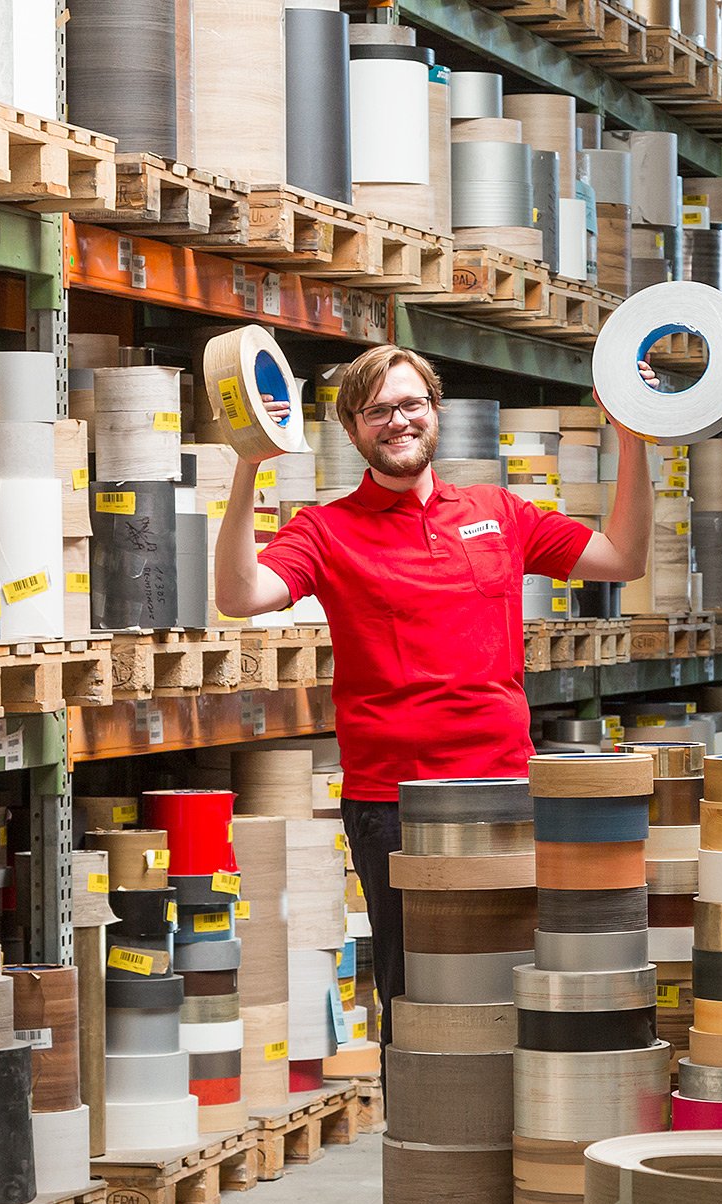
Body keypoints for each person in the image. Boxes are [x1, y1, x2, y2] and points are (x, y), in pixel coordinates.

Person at [214, 344, 653, 1045]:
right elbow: (238, 596)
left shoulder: (499, 511)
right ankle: (426, 1146)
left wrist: (632, 435)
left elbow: (622, 557)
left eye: (411, 403)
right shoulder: (324, 531)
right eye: (377, 410)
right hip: (395, 803)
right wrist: (247, 462)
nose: (398, 421)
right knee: (417, 1001)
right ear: (352, 430)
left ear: (434, 411)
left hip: (508, 790)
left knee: (519, 984)